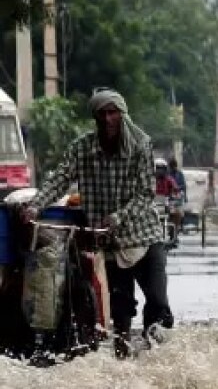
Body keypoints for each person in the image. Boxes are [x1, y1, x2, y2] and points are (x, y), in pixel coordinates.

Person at [24, 88, 174, 359]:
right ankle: (122, 361)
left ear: (122, 115)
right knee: (120, 308)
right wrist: (37, 204)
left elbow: (146, 193)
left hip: (144, 235)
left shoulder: (140, 145)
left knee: (158, 303)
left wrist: (118, 217)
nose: (107, 120)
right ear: (95, 117)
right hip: (109, 240)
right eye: (102, 114)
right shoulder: (82, 149)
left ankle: (157, 358)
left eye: (112, 113)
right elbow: (60, 179)